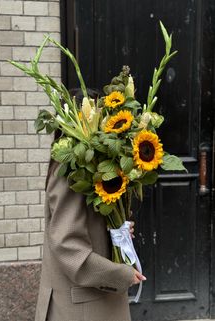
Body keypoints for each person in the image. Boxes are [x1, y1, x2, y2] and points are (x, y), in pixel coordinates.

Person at [35, 89, 147, 321]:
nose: (104, 125)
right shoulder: (69, 169)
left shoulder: (90, 162)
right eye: (97, 117)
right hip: (82, 307)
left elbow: (87, 222)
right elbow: (68, 246)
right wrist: (120, 275)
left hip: (92, 302)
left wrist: (117, 231)